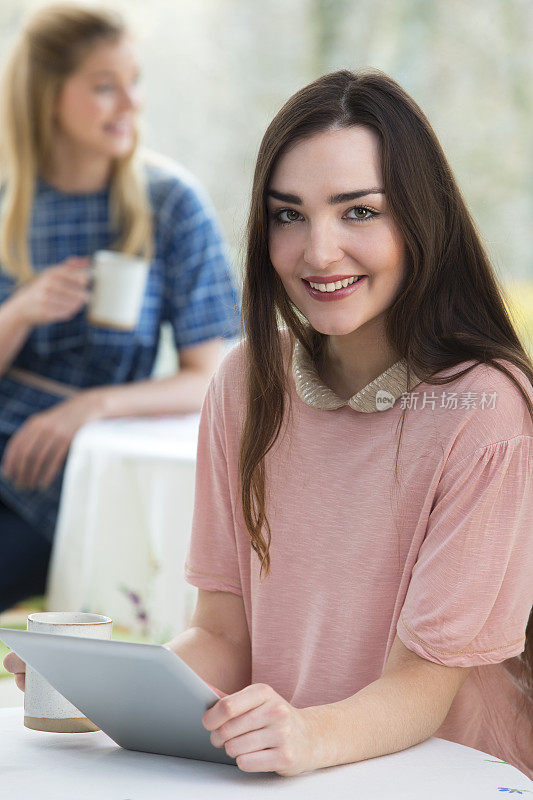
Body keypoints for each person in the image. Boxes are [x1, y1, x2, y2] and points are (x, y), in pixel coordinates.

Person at [6, 68, 532, 778]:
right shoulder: (244, 383)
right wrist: (111, 690)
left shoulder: (486, 408)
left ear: (420, 217)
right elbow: (222, 636)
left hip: (444, 773)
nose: (317, 252)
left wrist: (305, 735)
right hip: (292, 774)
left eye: (358, 211)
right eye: (288, 214)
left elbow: (420, 689)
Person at [0, 4, 239, 613]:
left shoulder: (169, 205)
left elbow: (209, 378)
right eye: (106, 87)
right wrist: (20, 311)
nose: (131, 103)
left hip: (82, 472)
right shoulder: (7, 207)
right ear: (49, 96)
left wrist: (92, 406)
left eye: (134, 82)